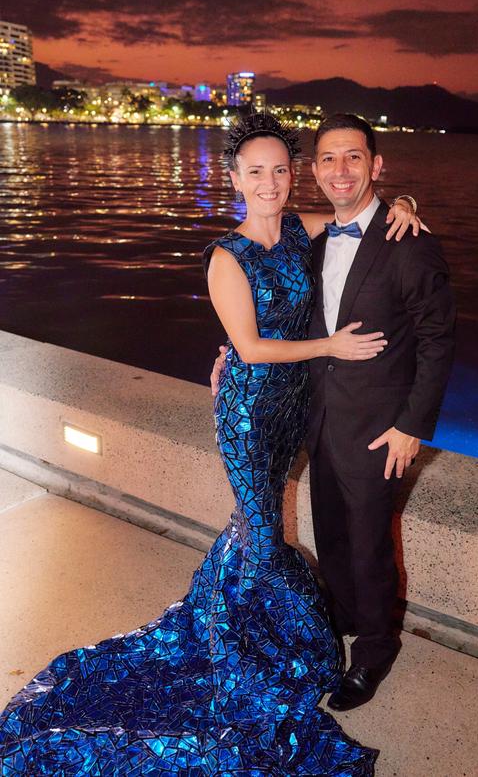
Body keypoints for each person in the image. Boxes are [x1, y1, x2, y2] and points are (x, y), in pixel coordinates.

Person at [0, 113, 419, 775]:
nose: (271, 181)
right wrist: (332, 346)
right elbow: (249, 347)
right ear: (233, 179)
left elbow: (355, 218)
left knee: (258, 532)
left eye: (280, 168)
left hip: (293, 413)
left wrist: (402, 207)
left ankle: (259, 637)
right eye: (255, 171)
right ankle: (244, 670)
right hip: (250, 414)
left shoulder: (299, 229)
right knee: (260, 538)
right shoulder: (227, 254)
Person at [305, 114, 455, 711]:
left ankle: (375, 650)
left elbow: (439, 340)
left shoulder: (410, 242)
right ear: (314, 171)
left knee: (370, 545)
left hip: (381, 429)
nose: (341, 170)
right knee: (333, 536)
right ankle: (341, 619)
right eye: (328, 159)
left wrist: (412, 425)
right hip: (322, 422)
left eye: (353, 158)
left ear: (376, 165)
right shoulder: (315, 242)